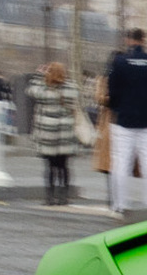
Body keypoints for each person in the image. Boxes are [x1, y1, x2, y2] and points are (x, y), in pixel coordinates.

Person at [101, 29, 147, 212]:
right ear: (143, 40)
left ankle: (120, 204)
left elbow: (112, 90)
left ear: (128, 40)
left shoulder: (120, 62)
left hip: (124, 119)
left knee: (121, 162)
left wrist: (118, 106)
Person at [26, 63, 86, 206]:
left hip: (48, 134)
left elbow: (31, 91)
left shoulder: (44, 90)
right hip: (65, 133)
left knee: (50, 167)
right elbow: (76, 100)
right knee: (64, 166)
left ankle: (50, 197)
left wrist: (39, 75)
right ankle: (64, 197)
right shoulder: (71, 89)